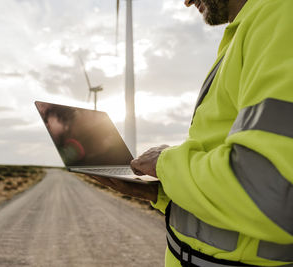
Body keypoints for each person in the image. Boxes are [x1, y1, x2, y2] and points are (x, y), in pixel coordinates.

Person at [90, 0, 293, 266]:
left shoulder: (280, 14)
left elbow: (269, 193)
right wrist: (163, 193)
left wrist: (165, 163)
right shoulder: (246, 31)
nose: (185, 1)